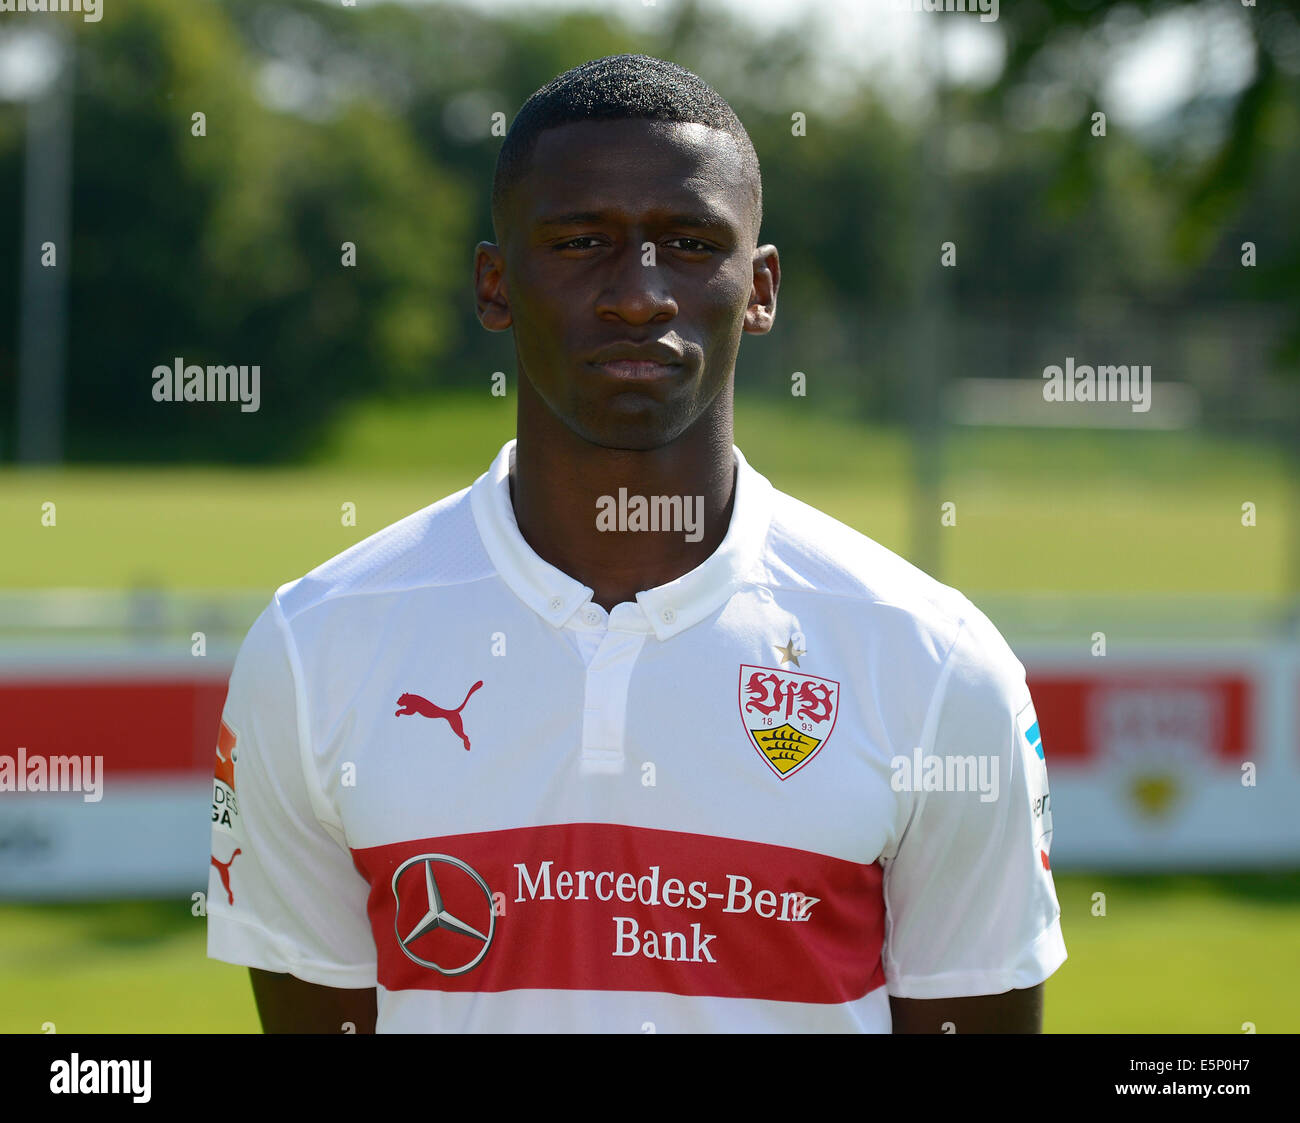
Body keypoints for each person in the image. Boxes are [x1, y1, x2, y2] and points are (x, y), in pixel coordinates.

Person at [207, 53, 1064, 1033]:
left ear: (760, 287)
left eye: (692, 243)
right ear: (494, 284)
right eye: (580, 242)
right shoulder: (317, 648)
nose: (638, 294)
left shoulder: (934, 659)